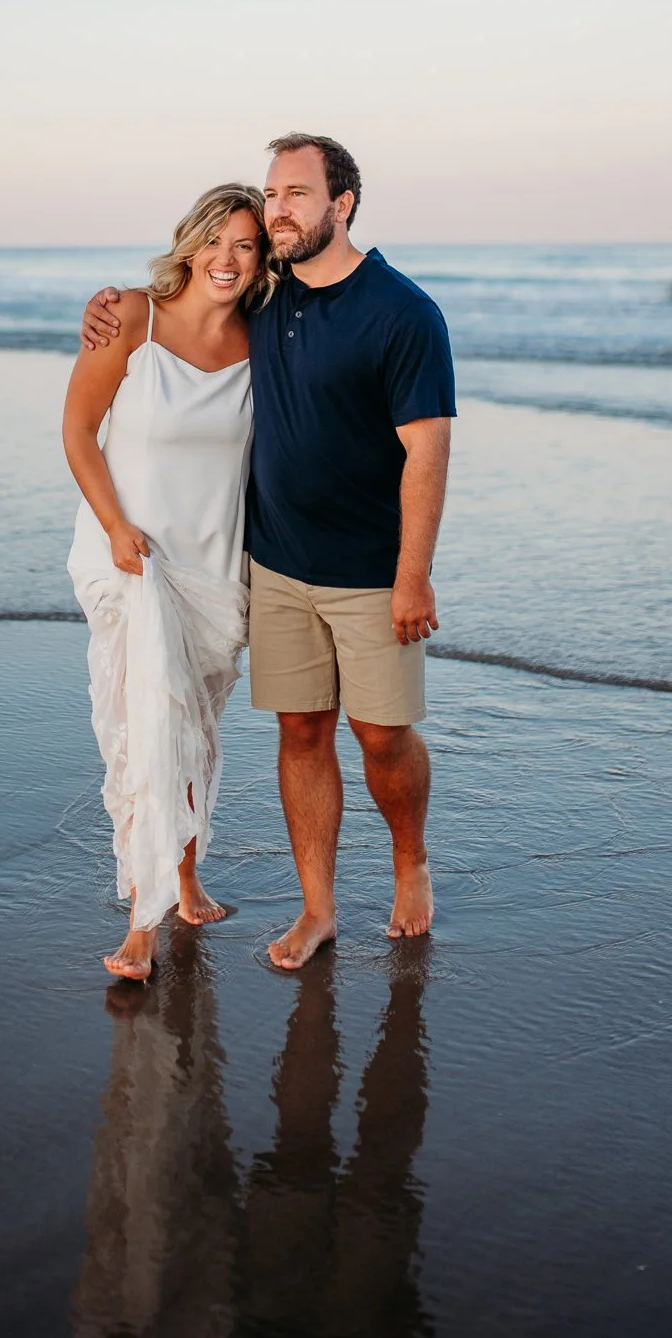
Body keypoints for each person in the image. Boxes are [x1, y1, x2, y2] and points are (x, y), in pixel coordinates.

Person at [81, 134, 455, 970]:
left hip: (368, 570)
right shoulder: (266, 297)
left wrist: (413, 575)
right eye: (271, 194)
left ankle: (409, 863)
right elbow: (183, 306)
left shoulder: (402, 312)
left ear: (341, 203)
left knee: (383, 736)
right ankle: (316, 910)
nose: (277, 211)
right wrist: (109, 301)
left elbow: (427, 452)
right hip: (276, 564)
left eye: (294, 194)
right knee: (300, 732)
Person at [63, 183, 269, 981]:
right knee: (149, 731)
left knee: (196, 733)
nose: (227, 259)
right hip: (133, 557)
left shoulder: (264, 340)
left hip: (218, 566)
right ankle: (142, 920)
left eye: (246, 245)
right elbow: (78, 428)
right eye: (216, 240)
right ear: (189, 242)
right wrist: (115, 524)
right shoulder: (129, 319)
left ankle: (185, 878)